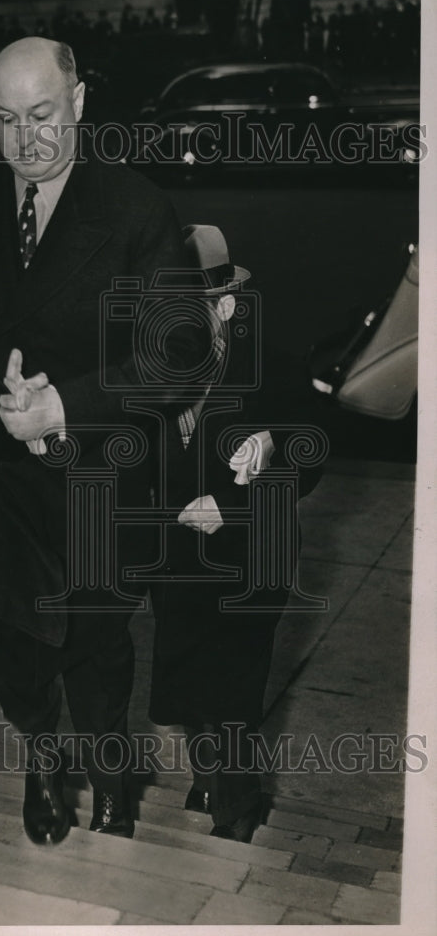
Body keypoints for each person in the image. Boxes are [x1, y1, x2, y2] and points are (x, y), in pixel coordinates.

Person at [0, 37, 208, 845]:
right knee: (3, 633)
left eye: (41, 117)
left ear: (78, 104)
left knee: (95, 642)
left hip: (95, 466)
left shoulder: (136, 208)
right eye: (4, 121)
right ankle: (41, 753)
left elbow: (176, 354)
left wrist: (64, 404)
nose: (25, 141)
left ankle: (110, 780)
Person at [148, 225, 326, 843]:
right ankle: (209, 777)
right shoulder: (156, 369)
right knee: (184, 672)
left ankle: (237, 806)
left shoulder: (272, 369)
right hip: (179, 555)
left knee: (232, 681)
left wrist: (272, 445)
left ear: (225, 304)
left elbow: (314, 450)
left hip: (252, 552)